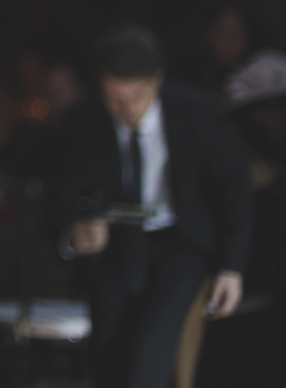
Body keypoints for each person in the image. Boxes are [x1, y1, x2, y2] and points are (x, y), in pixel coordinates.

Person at [56, 25, 252, 388]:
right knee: (109, 360)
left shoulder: (194, 112)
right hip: (115, 249)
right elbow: (63, 191)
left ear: (157, 81)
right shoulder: (84, 120)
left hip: (180, 245)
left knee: (148, 360)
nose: (127, 109)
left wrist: (231, 267)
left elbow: (234, 188)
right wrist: (76, 231)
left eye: (136, 97)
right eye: (115, 99)